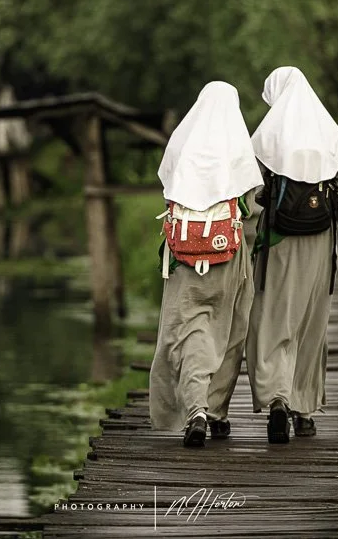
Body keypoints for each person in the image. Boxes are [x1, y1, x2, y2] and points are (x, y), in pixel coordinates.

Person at [149, 81, 263, 447]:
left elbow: (168, 188)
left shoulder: (181, 144)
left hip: (183, 255)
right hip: (229, 256)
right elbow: (253, 206)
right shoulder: (237, 146)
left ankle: (194, 410)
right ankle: (215, 413)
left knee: (189, 332)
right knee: (228, 330)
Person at [246, 66, 338, 444]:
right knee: (311, 322)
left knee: (275, 317)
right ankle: (304, 411)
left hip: (278, 241)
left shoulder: (267, 136)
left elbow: (252, 194)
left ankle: (277, 397)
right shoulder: (329, 134)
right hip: (320, 243)